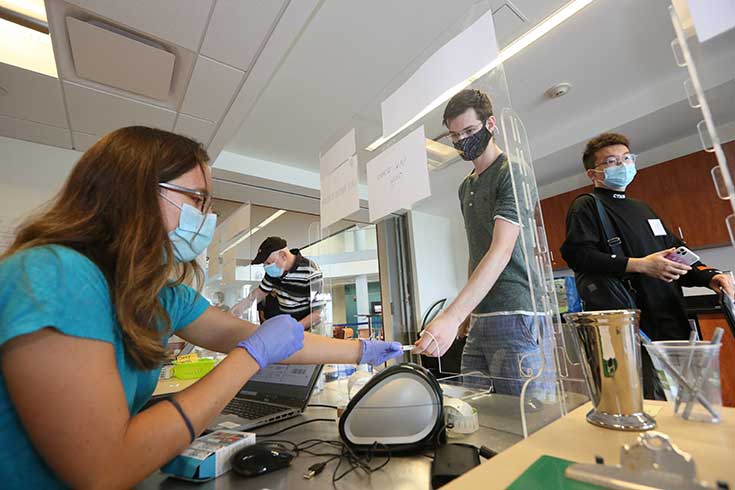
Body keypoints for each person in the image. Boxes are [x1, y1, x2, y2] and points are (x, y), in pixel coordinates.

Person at [0, 126, 403, 489]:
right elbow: (103, 470)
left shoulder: (154, 294)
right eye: (196, 198)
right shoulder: (56, 274)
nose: (207, 216)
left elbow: (249, 336)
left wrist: (362, 350)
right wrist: (250, 358)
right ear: (136, 191)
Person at [560, 132, 735, 397]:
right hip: (635, 331)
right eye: (611, 161)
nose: (622, 165)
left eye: (626, 158)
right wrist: (640, 265)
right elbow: (578, 255)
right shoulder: (588, 206)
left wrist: (710, 277)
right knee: (652, 403)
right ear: (593, 174)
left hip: (673, 321)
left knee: (688, 401)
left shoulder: (644, 209)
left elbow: (678, 254)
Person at [413, 89, 555, 397]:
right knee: (478, 411)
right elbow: (477, 252)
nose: (462, 140)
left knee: (524, 414)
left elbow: (501, 251)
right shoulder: (466, 187)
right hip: (480, 318)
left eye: (469, 131)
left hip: (516, 312)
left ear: (490, 124)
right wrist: (467, 314)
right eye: (454, 135)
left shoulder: (512, 171)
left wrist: (451, 316)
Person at [231, 237, 324, 330]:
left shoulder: (311, 271)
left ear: (283, 256)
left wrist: (294, 329)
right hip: (285, 325)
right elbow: (260, 292)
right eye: (264, 264)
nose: (266, 267)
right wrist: (238, 309)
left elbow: (317, 313)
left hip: (306, 330)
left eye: (268, 263)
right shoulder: (274, 272)